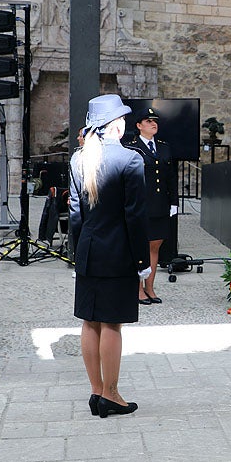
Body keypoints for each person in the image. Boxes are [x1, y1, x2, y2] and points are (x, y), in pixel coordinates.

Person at [69, 94, 151, 418]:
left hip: (88, 250)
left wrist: (78, 256)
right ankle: (111, 394)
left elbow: (76, 215)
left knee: (90, 322)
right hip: (117, 252)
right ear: (115, 125)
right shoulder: (130, 160)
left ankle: (96, 391)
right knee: (112, 325)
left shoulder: (78, 159)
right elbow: (135, 217)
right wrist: (142, 262)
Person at [124, 106, 178, 305]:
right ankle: (137, 289)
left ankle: (150, 287)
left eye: (155, 120)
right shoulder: (131, 146)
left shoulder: (164, 147)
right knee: (138, 246)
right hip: (140, 205)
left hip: (160, 205)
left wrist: (174, 202)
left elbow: (171, 177)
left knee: (155, 246)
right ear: (138, 126)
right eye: (148, 121)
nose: (153, 123)